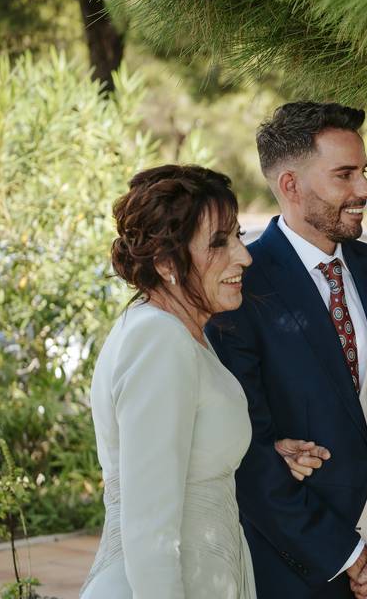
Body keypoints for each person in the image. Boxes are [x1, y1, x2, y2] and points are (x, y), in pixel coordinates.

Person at [207, 102, 367, 599]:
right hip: (299, 571)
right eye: (345, 175)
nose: (366, 190)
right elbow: (248, 448)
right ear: (291, 185)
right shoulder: (240, 285)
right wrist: (350, 559)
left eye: (365, 172)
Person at [83, 165, 266, 597]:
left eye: (238, 235)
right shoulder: (159, 339)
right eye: (219, 243)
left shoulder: (179, 332)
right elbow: (150, 532)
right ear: (167, 263)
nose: (244, 256)